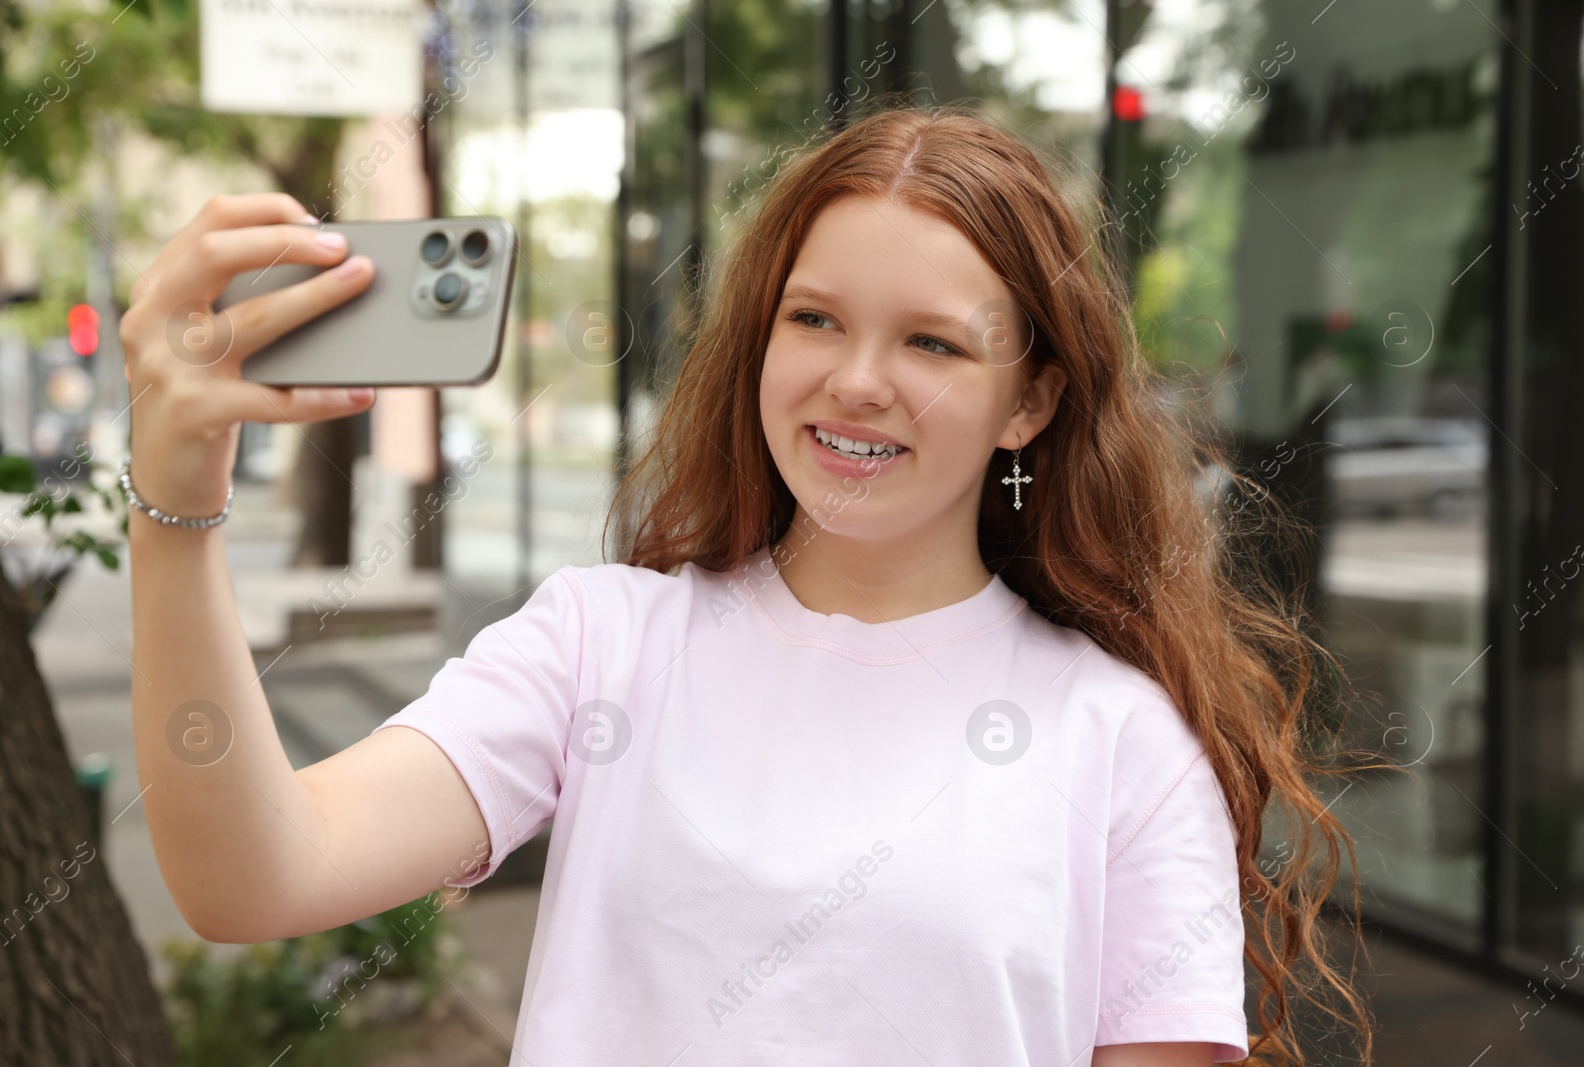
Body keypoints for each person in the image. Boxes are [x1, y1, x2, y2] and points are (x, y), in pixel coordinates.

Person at [119, 102, 1374, 1066]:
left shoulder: (1120, 740)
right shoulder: (600, 643)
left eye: (931, 341)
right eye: (813, 318)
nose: (856, 380)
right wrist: (175, 507)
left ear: (1030, 399)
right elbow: (250, 877)